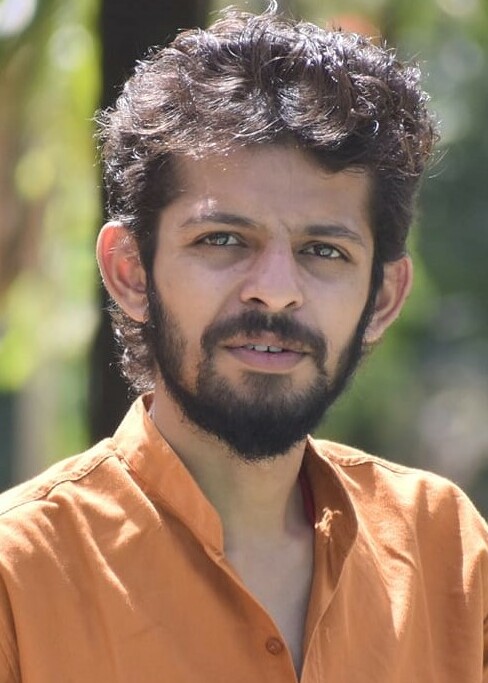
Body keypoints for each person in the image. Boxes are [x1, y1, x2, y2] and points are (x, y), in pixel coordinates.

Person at [0, 5, 486, 682]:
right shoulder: (19, 578)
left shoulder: (446, 552)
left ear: (381, 297)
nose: (276, 291)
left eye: (324, 250)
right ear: (131, 272)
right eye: (223, 239)